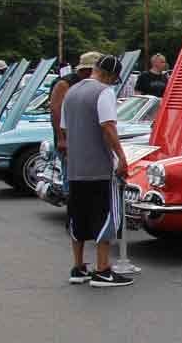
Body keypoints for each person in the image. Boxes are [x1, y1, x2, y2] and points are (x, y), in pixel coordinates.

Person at [61, 53, 132, 287]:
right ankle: (102, 270)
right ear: (111, 76)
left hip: (75, 166)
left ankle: (78, 267)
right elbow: (108, 126)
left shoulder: (71, 92)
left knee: (77, 216)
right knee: (105, 216)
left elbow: (64, 128)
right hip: (99, 166)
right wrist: (121, 157)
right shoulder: (104, 92)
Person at [50, 53, 97, 157]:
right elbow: (56, 111)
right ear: (87, 70)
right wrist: (61, 138)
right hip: (68, 139)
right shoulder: (65, 84)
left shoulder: (88, 83)